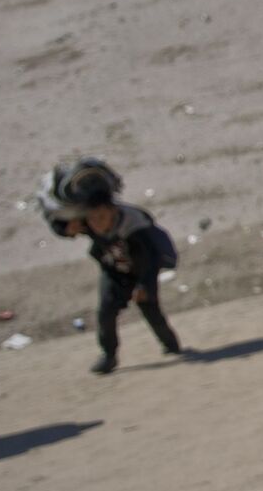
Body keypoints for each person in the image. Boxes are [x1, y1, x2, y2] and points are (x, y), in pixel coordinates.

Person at [37, 158, 185, 375]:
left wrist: (144, 286)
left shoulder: (134, 226)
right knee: (105, 313)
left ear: (113, 211)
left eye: (101, 218)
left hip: (140, 272)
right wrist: (66, 229)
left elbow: (151, 260)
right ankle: (108, 356)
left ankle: (171, 345)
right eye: (92, 219)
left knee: (152, 312)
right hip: (113, 272)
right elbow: (58, 224)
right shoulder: (89, 222)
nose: (97, 224)